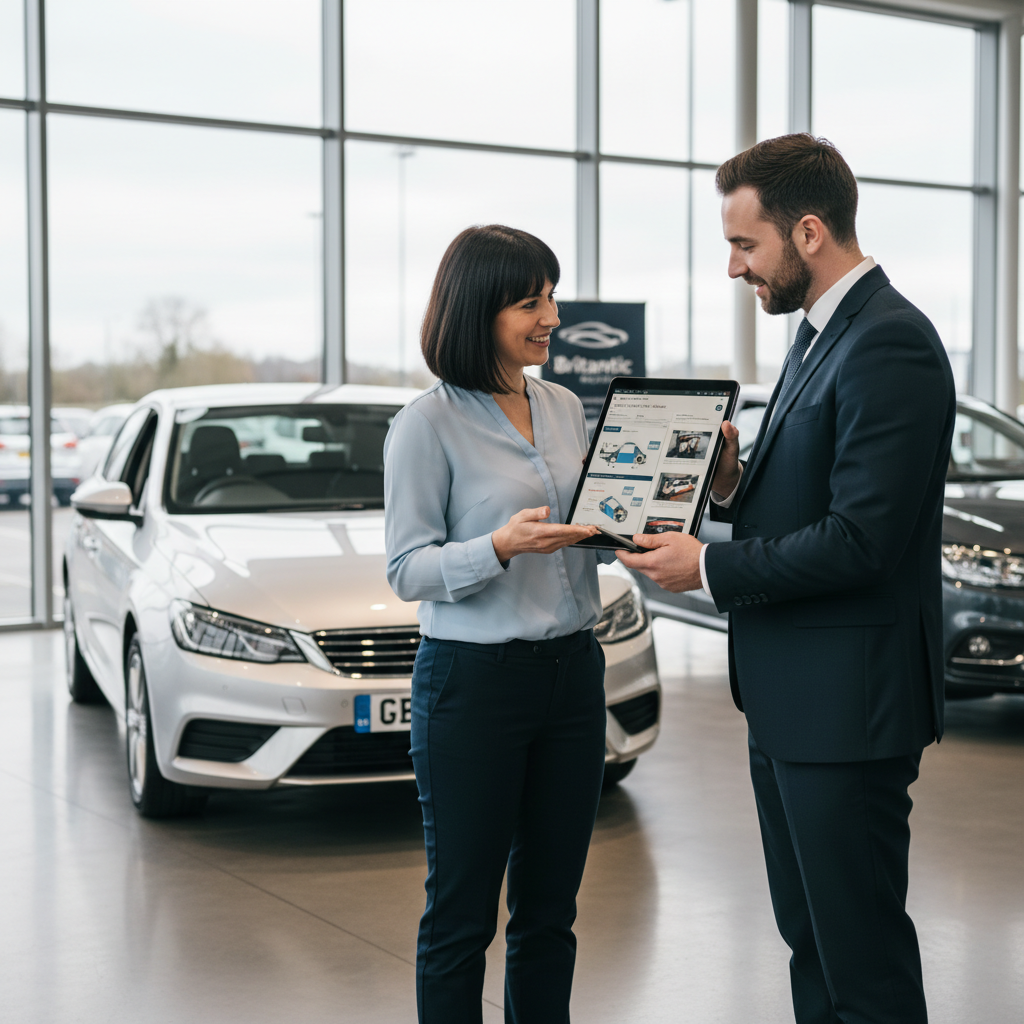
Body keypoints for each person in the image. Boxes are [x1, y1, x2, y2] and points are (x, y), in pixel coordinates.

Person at [618, 134, 955, 1024]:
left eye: (745, 245)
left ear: (809, 233)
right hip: (796, 701)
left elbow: (861, 542)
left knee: (862, 959)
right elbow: (815, 501)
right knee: (812, 938)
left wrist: (710, 567)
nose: (735, 268)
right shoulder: (820, 338)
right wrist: (729, 486)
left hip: (850, 707)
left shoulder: (890, 343)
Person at [384, 224, 611, 1024]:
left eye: (550, 296)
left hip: (575, 676)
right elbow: (408, 569)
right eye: (529, 301)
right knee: (461, 917)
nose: (551, 316)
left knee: (551, 913)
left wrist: (626, 527)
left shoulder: (564, 405)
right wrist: (496, 548)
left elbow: (587, 533)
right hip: (473, 686)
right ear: (478, 311)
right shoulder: (427, 424)